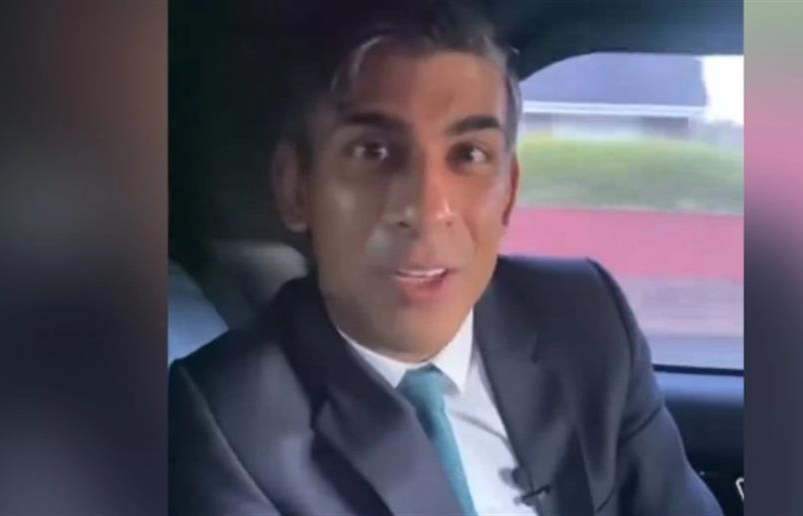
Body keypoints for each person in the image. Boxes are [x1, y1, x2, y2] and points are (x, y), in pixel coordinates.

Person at [169, 4, 722, 515]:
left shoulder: (585, 320)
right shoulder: (229, 422)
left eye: (469, 155)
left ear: (508, 194)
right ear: (296, 188)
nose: (427, 210)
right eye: (373, 151)